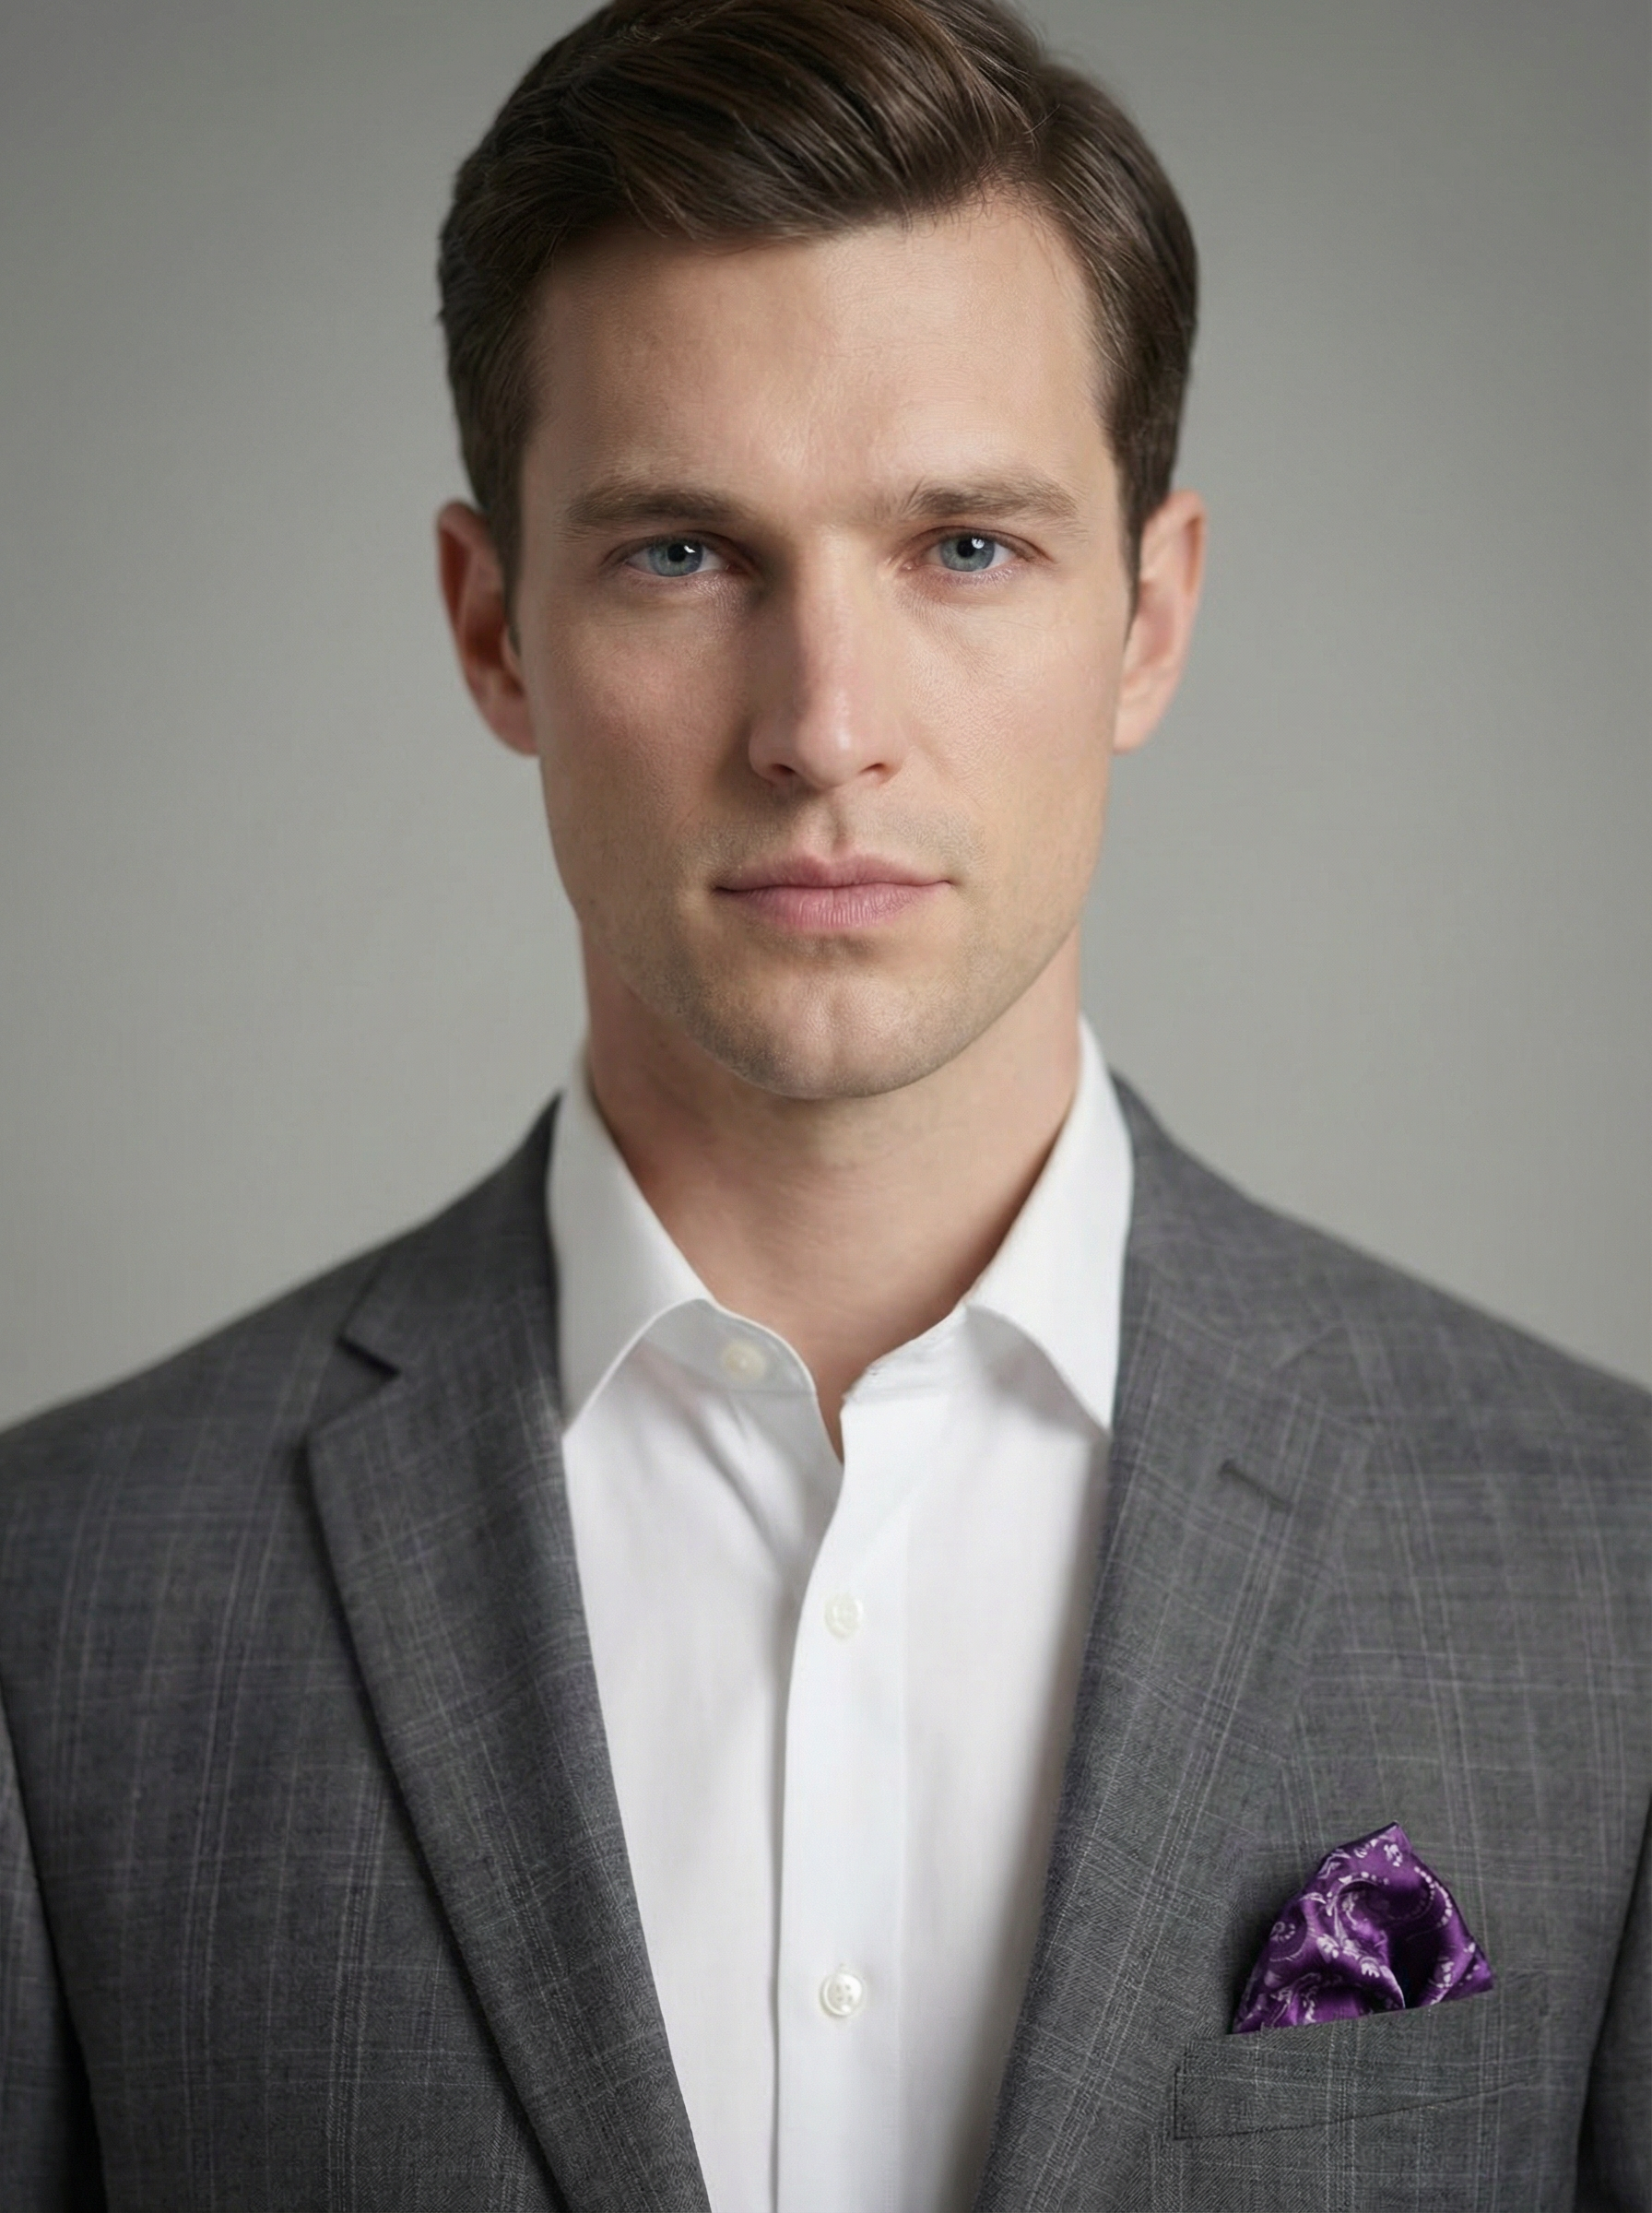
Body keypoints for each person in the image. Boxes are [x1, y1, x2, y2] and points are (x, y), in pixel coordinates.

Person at [1, 0, 1646, 2205]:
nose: (821, 725)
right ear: (491, 631)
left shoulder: (1607, 1573)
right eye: (682, 553)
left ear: (1146, 620)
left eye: (964, 546)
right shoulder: (59, 1603)